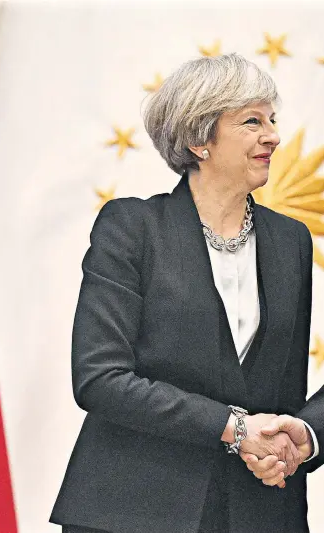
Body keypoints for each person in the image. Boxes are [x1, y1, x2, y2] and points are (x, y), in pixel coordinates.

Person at [49, 53, 323, 533]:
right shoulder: (132, 227)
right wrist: (235, 429)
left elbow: (284, 389)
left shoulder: (291, 241)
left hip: (260, 513)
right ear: (200, 139)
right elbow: (100, 377)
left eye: (273, 119)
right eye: (252, 121)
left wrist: (302, 433)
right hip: (134, 510)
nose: (274, 136)